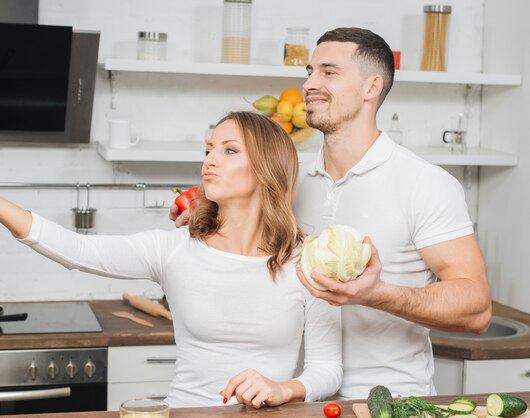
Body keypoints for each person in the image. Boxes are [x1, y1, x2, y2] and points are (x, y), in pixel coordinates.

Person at [169, 28, 492, 400]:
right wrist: (203, 212)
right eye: (309, 71)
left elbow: (476, 307)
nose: (309, 83)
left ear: (371, 88)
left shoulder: (424, 183)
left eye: (328, 72)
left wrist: (377, 293)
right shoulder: (289, 181)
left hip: (387, 402)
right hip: (294, 401)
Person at [0, 111, 342, 408]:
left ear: (268, 169)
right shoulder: (173, 249)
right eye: (208, 150)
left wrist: (282, 388)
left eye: (229, 150)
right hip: (185, 414)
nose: (210, 160)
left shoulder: (308, 261)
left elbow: (328, 368)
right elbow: (76, 250)